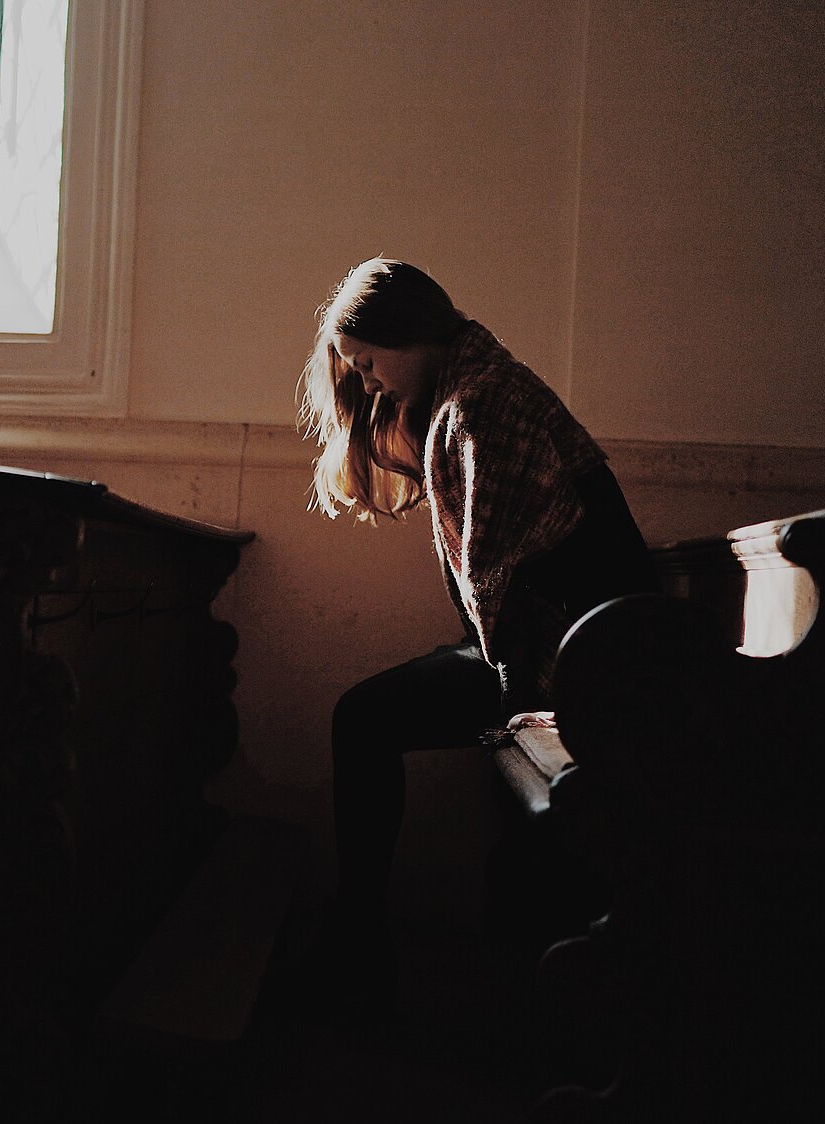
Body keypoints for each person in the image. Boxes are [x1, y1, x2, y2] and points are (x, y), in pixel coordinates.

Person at [297, 258, 656, 998]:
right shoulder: (479, 382)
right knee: (368, 716)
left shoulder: (481, 401)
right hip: (562, 639)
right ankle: (356, 943)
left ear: (405, 332)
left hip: (575, 657)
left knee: (361, 719)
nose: (365, 382)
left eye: (367, 362)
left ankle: (357, 953)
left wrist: (515, 701)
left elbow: (493, 581)